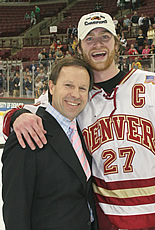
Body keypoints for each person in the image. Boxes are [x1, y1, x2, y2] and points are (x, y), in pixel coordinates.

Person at [3, 12, 155, 230]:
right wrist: (16, 116)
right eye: (89, 38)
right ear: (80, 47)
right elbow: (33, 113)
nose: (97, 44)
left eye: (105, 37)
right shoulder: (75, 99)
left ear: (117, 43)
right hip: (105, 220)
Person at [2, 57, 98, 230]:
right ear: (52, 87)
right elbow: (15, 210)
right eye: (68, 85)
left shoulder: (82, 129)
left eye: (82, 88)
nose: (75, 94)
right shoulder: (29, 133)